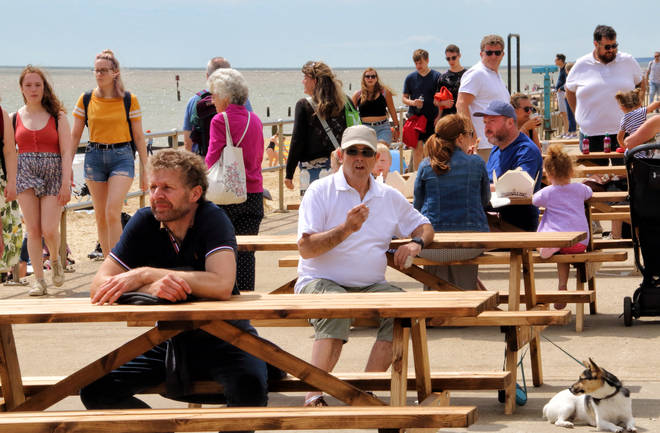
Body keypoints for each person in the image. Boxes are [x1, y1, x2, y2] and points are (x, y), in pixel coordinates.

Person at [80, 149, 268, 420]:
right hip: (169, 341)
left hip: (228, 339)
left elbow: (222, 284)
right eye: (153, 186)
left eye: (167, 187)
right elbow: (99, 286)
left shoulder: (212, 219)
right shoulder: (144, 221)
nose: (157, 195)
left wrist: (146, 274)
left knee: (249, 391)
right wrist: (148, 289)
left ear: (194, 194)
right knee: (96, 388)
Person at [296, 125, 433, 407]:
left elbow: (425, 225)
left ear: (375, 158)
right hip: (320, 280)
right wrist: (346, 229)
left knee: (404, 311)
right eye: (352, 151)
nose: (359, 158)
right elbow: (306, 248)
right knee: (337, 307)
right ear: (340, 155)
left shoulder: (387, 196)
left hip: (371, 285)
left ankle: (363, 390)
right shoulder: (319, 191)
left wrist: (416, 243)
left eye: (366, 152)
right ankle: (313, 395)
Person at [71, 50, 148, 258]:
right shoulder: (86, 99)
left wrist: (145, 171)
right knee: (101, 216)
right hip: (94, 157)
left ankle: (118, 264)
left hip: (122, 156)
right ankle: (108, 264)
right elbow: (75, 136)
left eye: (103, 70)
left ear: (115, 72)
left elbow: (139, 138)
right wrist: (67, 168)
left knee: (112, 211)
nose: (99, 74)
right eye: (96, 70)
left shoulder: (129, 99)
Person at [14, 66, 75, 296]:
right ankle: (39, 280)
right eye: (28, 85)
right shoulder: (15, 117)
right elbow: (10, 152)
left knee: (49, 229)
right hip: (25, 173)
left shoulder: (57, 116)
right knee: (33, 229)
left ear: (44, 87)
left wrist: (65, 183)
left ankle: (56, 260)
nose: (33, 89)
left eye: (37, 84)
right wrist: (11, 181)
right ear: (21, 88)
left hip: (53, 174)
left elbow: (67, 152)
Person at [413, 114, 490, 291]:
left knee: (437, 264)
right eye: (470, 134)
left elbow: (417, 207)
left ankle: (435, 311)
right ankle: (464, 304)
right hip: (471, 244)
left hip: (431, 244)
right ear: (460, 138)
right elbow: (485, 200)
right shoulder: (476, 163)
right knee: (460, 268)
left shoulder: (426, 165)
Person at [205, 68, 264, 292]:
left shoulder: (220, 120)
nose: (212, 100)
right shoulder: (255, 120)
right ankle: (247, 294)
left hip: (227, 194)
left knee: (222, 249)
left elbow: (211, 156)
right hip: (254, 192)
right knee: (247, 251)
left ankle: (228, 293)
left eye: (215, 95)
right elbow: (258, 156)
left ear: (226, 96)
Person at [565, 25, 644, 161]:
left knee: (626, 177)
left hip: (625, 132)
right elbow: (569, 90)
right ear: (596, 44)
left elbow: (641, 83)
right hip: (590, 134)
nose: (612, 50)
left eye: (615, 46)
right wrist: (577, 114)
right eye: (607, 47)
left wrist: (637, 108)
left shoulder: (628, 60)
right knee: (594, 180)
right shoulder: (581, 64)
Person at [533, 144, 592, 309]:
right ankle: (562, 287)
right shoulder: (580, 189)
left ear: (549, 173)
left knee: (555, 245)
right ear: (571, 171)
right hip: (581, 242)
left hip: (560, 240)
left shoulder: (549, 192)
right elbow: (589, 192)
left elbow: (534, 200)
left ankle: (561, 284)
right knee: (563, 251)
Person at [478, 101, 543, 232]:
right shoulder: (497, 148)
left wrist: (478, 186)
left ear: (510, 123)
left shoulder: (526, 150)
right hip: (496, 219)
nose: (486, 127)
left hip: (518, 226)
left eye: (492, 121)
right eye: (485, 122)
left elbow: (517, 187)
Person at [285, 61, 346, 195]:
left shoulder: (303, 105)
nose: (303, 81)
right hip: (337, 168)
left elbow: (297, 141)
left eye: (306, 78)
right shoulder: (341, 103)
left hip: (312, 173)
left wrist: (289, 174)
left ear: (315, 81)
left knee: (313, 213)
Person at [182, 57, 253, 154]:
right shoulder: (242, 98)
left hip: (203, 159)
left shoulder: (194, 100)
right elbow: (249, 131)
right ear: (231, 76)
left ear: (207, 76)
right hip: (234, 158)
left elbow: (187, 140)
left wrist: (191, 165)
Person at [457, 35, 510, 162]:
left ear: (503, 54)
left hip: (497, 143)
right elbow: (461, 104)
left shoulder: (495, 75)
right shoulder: (476, 73)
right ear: (481, 54)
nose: (493, 56)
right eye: (489, 52)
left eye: (497, 53)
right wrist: (471, 137)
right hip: (482, 145)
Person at [402, 49, 441, 169]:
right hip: (416, 119)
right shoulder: (410, 78)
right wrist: (413, 103)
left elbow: (440, 100)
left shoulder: (437, 76)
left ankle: (433, 175)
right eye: (416, 63)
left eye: (421, 63)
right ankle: (417, 177)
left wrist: (439, 117)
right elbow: (404, 98)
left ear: (427, 61)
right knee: (417, 150)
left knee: (432, 150)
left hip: (431, 119)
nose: (418, 66)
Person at [352, 68, 400, 144]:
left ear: (376, 78)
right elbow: (351, 115)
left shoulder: (385, 93)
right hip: (364, 129)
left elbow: (392, 111)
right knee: (368, 154)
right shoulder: (357, 95)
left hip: (383, 128)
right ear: (364, 79)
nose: (370, 78)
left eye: (373, 76)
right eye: (367, 76)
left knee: (381, 149)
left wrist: (397, 128)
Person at [0, 102, 21, 276]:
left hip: (1, 183)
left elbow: (9, 151)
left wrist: (12, 181)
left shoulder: (1, 115)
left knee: (4, 241)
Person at [616, 88, 660, 154]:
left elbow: (619, 137)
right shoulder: (641, 112)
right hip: (646, 148)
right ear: (639, 104)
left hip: (634, 151)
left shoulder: (624, 120)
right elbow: (655, 104)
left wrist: (624, 147)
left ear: (622, 107)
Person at [435, 44, 466, 119]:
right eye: (448, 59)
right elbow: (436, 101)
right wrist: (443, 103)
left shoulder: (468, 75)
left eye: (453, 58)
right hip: (447, 118)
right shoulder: (443, 77)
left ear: (459, 56)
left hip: (464, 117)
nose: (451, 61)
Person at [554, 54, 577, 138]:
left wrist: (561, 88)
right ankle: (566, 131)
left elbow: (568, 81)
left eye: (556, 59)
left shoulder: (565, 69)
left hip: (564, 93)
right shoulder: (561, 69)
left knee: (567, 113)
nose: (555, 61)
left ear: (560, 60)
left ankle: (571, 132)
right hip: (561, 93)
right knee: (563, 113)